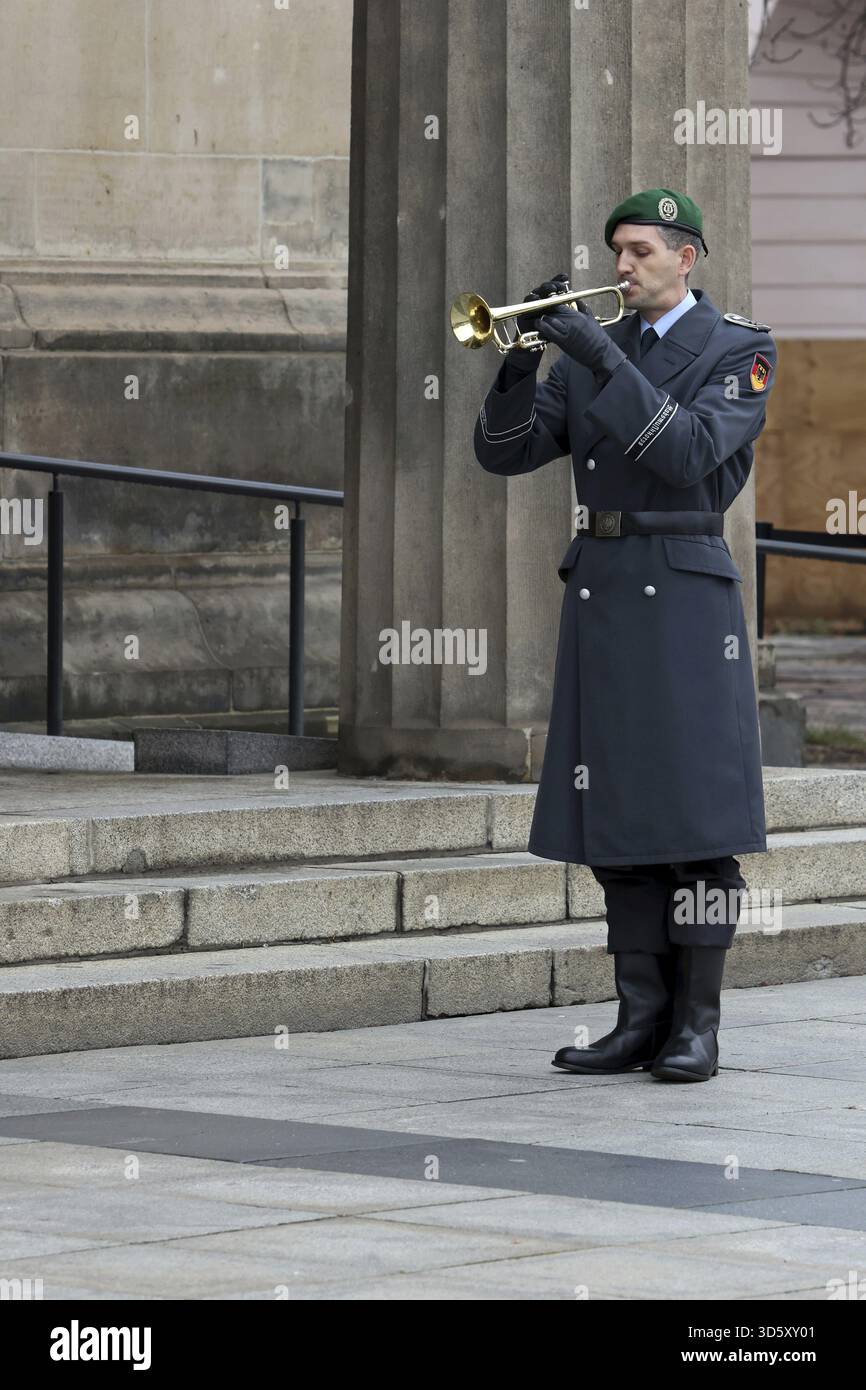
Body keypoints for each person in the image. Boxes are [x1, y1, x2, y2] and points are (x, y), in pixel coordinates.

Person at [473, 188, 776, 1083]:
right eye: (616, 252)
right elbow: (505, 454)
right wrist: (521, 363)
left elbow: (687, 455)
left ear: (688, 258)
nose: (622, 267)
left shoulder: (738, 348)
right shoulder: (589, 356)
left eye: (641, 250)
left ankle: (697, 1026)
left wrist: (598, 353)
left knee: (692, 821)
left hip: (683, 597)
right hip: (603, 593)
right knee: (618, 825)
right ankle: (638, 1018)